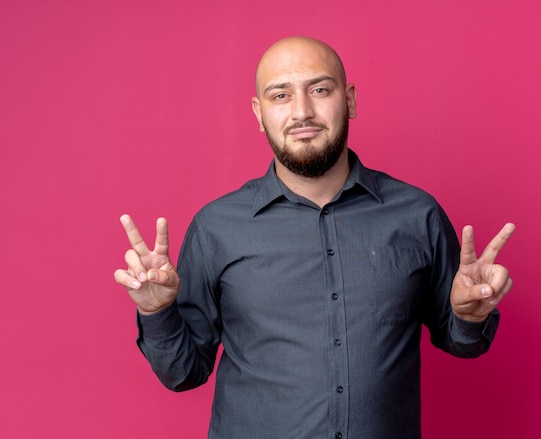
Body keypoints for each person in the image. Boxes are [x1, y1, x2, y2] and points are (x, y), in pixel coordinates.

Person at [114, 36, 515, 439]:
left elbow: (463, 342)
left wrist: (469, 316)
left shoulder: (417, 215)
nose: (302, 112)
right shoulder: (217, 227)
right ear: (259, 113)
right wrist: (157, 313)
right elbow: (183, 373)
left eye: (320, 90)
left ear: (350, 100)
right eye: (280, 95)